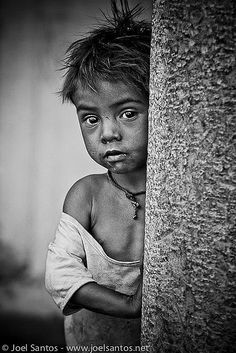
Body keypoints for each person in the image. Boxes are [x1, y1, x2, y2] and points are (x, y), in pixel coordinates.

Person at [45, 0, 151, 349]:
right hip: (91, 340)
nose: (107, 133)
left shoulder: (176, 196)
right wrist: (131, 306)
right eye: (91, 118)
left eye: (127, 113)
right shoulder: (87, 194)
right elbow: (59, 275)